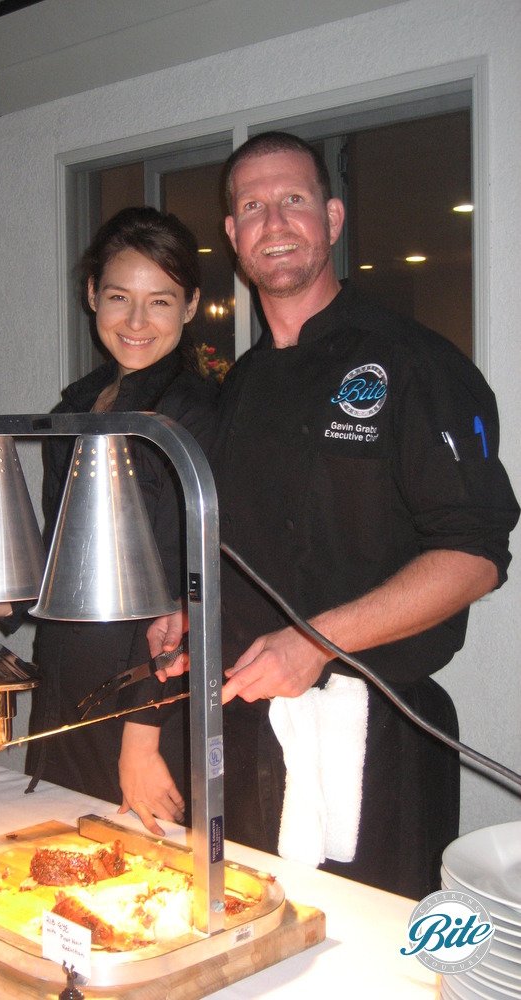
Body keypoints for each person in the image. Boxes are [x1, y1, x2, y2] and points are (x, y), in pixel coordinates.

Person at [147, 132, 519, 899]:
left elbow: (476, 555)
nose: (274, 222)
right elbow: (247, 549)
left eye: (294, 200)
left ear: (334, 216)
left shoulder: (414, 363)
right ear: (232, 236)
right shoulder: (240, 387)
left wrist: (316, 643)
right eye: (252, 207)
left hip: (376, 741)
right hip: (249, 736)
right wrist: (195, 617)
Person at [0, 206, 217, 833]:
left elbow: (192, 601)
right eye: (120, 297)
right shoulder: (75, 408)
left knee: (146, 879)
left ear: (191, 306)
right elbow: (67, 564)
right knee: (62, 859)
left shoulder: (194, 418)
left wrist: (142, 740)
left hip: (149, 699)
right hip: (68, 672)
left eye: (161, 302)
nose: (137, 322)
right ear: (92, 296)